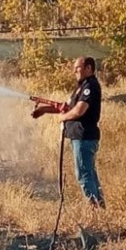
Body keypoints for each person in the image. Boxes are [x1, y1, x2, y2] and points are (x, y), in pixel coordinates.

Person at [31, 56, 105, 209]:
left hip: (84, 137)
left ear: (88, 68)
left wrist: (62, 118)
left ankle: (94, 210)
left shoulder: (89, 86)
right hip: (81, 137)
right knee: (89, 174)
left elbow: (79, 110)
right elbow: (69, 107)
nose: (74, 71)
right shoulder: (82, 86)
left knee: (84, 175)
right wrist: (44, 109)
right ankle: (100, 209)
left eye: (77, 67)